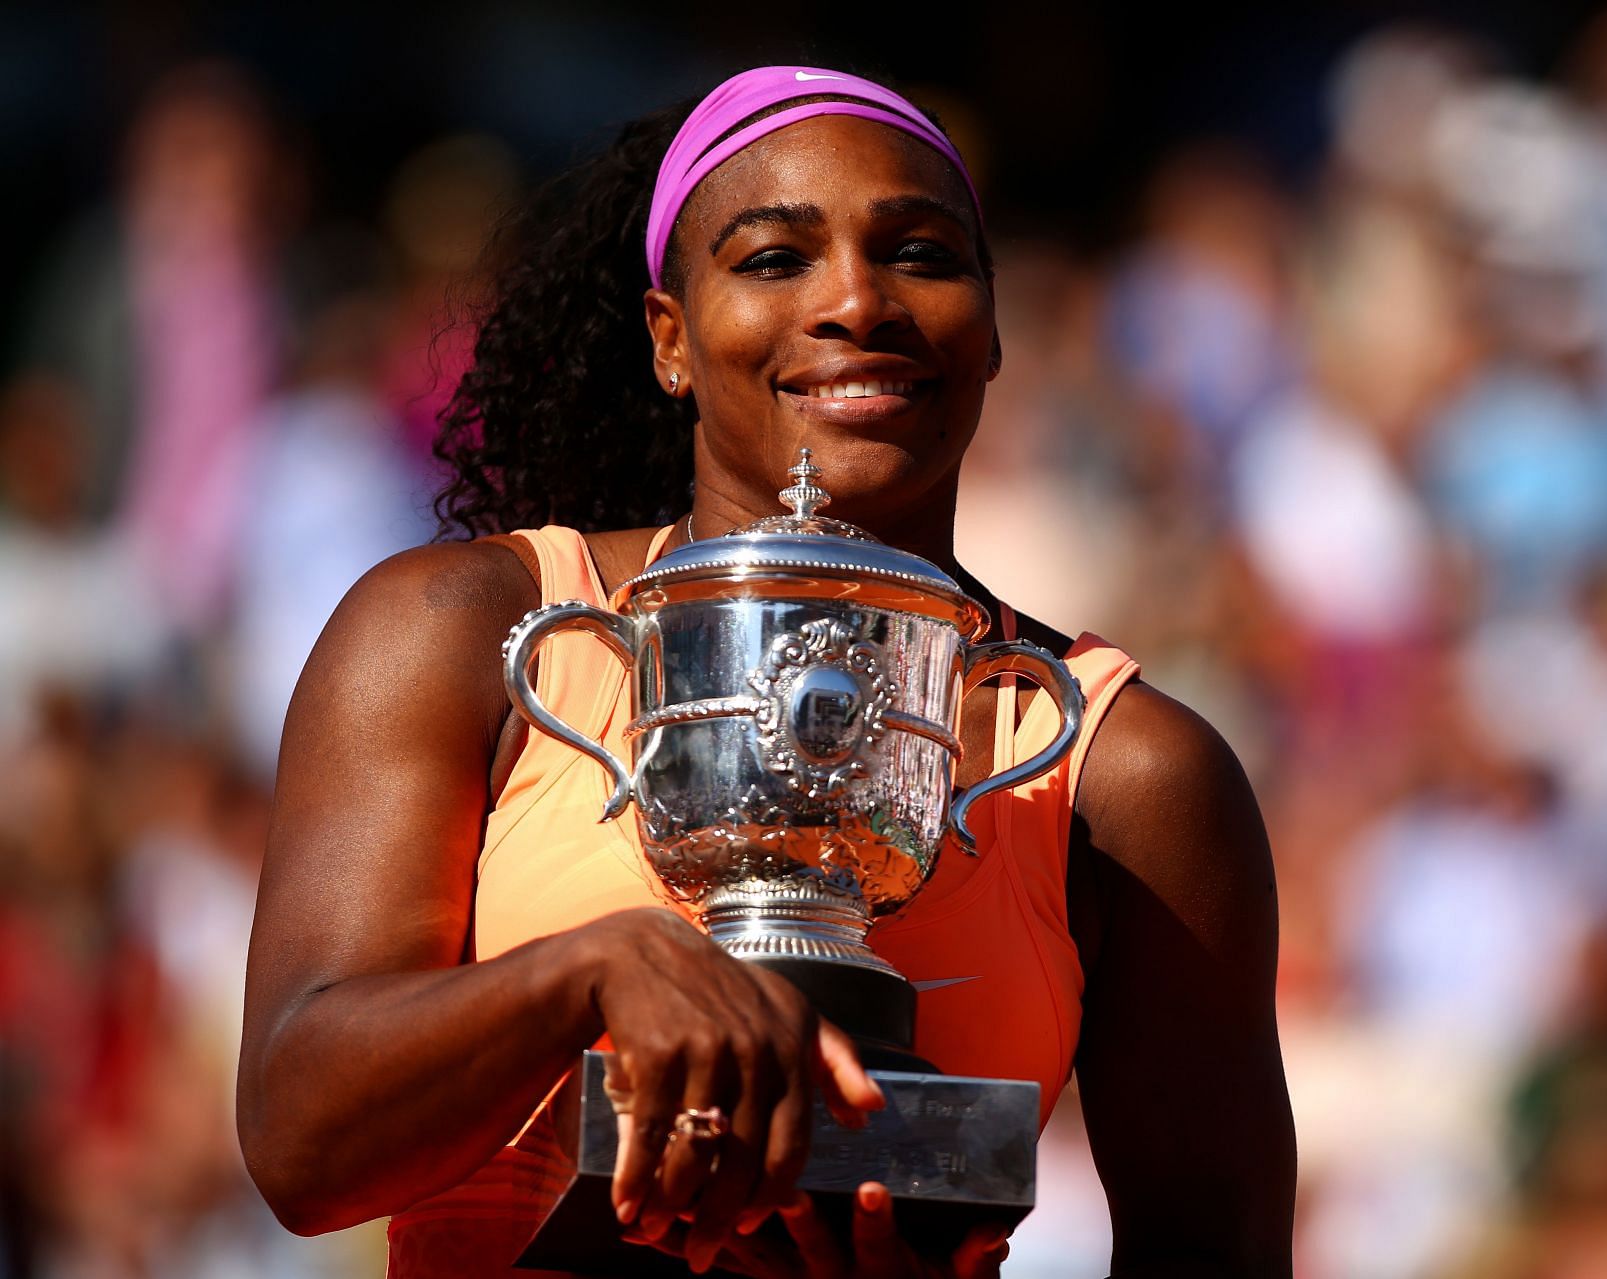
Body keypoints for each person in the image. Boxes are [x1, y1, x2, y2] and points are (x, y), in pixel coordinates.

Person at [237, 66, 1294, 1278]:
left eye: (923, 254)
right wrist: (595, 971)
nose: (857, 299)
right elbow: (295, 1142)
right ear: (670, 340)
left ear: (995, 332)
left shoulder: (1128, 775)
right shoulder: (456, 630)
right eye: (776, 259)